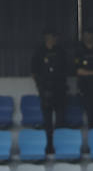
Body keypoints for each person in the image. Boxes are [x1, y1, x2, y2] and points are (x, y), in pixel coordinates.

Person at [30, 27, 70, 156]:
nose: (55, 39)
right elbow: (34, 71)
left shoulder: (61, 51)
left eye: (55, 36)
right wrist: (41, 87)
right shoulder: (39, 52)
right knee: (47, 122)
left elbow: (66, 69)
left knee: (60, 121)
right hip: (45, 91)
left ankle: (61, 147)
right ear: (47, 37)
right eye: (52, 36)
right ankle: (49, 146)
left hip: (60, 90)